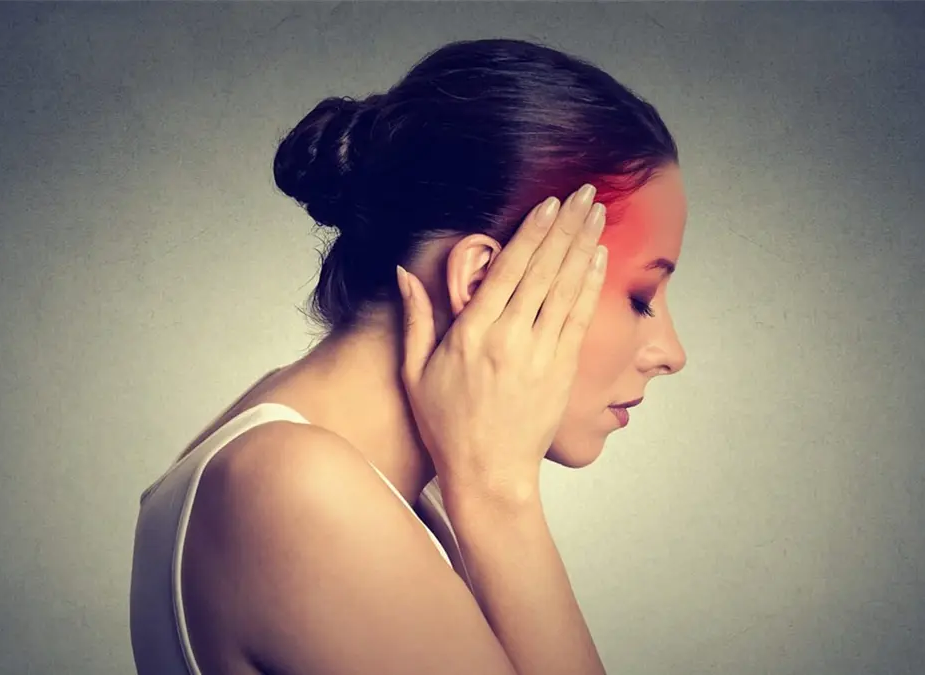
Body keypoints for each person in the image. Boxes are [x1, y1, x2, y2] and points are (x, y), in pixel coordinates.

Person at [130, 37, 688, 675]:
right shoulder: (297, 490)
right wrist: (499, 496)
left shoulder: (342, 469)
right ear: (481, 280)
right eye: (640, 297)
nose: (671, 354)